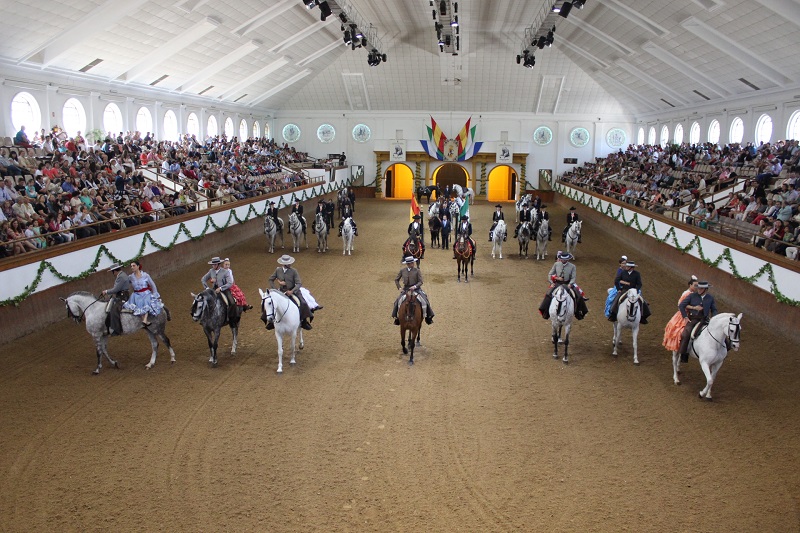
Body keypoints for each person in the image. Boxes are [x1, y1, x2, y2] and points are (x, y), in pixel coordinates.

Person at [537, 252, 589, 319]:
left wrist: (570, 284)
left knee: (579, 296)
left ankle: (579, 312)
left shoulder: (572, 266)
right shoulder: (556, 264)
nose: (563, 261)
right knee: (548, 294)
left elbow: (573, 277)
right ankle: (545, 311)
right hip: (558, 283)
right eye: (562, 259)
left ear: (568, 259)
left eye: (565, 259)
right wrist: (553, 281)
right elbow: (550, 274)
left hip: (568, 283)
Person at [268, 255, 313, 330]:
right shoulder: (278, 270)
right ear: (283, 264)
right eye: (288, 263)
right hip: (281, 291)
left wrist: (292, 291)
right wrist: (275, 289)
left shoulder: (294, 271)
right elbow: (270, 279)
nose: (290, 264)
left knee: (302, 303)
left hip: (292, 291)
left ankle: (304, 321)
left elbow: (299, 283)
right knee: (270, 303)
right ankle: (270, 321)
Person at [677, 281, 718, 363]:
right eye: (698, 288)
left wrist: (714, 318)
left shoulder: (710, 298)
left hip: (705, 319)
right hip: (694, 319)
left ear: (706, 289)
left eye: (701, 288)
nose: (699, 290)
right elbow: (681, 305)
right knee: (686, 333)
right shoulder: (692, 296)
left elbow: (714, 309)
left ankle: (726, 348)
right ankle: (683, 353)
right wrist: (686, 316)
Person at [392, 256, 435, 325]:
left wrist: (414, 286)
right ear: (407, 264)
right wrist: (399, 288)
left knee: (425, 300)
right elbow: (396, 280)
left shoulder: (417, 271)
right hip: (406, 289)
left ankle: (428, 317)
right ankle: (397, 317)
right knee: (397, 301)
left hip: (416, 289)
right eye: (410, 263)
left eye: (412, 262)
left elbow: (420, 281)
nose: (412, 264)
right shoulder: (402, 271)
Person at [663, 275, 699, 353]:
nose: (696, 287)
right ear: (690, 285)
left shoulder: (691, 293)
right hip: (684, 314)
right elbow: (681, 304)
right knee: (681, 331)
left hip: (689, 313)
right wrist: (693, 308)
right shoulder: (687, 294)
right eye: (695, 285)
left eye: (697, 286)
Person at [122, 260, 163, 328]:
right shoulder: (130, 277)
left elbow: (152, 285)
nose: (132, 267)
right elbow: (125, 284)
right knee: (137, 302)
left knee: (146, 301)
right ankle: (144, 320)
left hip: (146, 293)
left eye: (133, 266)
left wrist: (155, 294)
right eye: (131, 266)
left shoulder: (145, 275)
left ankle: (145, 319)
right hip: (136, 294)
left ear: (138, 266)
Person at [202, 256, 236, 321]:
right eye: (212, 264)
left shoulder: (225, 272)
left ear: (218, 264)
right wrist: (207, 288)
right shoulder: (211, 271)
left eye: (214, 264)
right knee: (205, 301)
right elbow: (203, 279)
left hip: (224, 289)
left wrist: (220, 288)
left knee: (232, 303)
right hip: (214, 289)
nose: (213, 266)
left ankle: (230, 317)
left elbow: (230, 283)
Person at [101, 263, 131, 336]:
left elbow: (116, 289)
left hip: (123, 297)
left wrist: (106, 291)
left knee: (114, 309)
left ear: (114, 271)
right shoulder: (122, 274)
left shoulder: (120, 277)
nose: (113, 274)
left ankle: (117, 330)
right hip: (121, 295)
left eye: (112, 272)